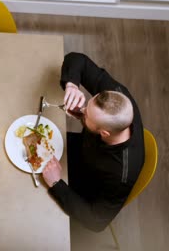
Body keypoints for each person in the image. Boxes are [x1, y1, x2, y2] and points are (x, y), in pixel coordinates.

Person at [42, 52, 145, 232]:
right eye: (87, 105)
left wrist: (56, 183)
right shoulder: (117, 97)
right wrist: (72, 85)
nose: (81, 108)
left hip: (80, 184)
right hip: (76, 148)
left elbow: (96, 221)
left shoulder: (121, 174)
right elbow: (77, 59)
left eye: (86, 113)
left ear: (104, 133)